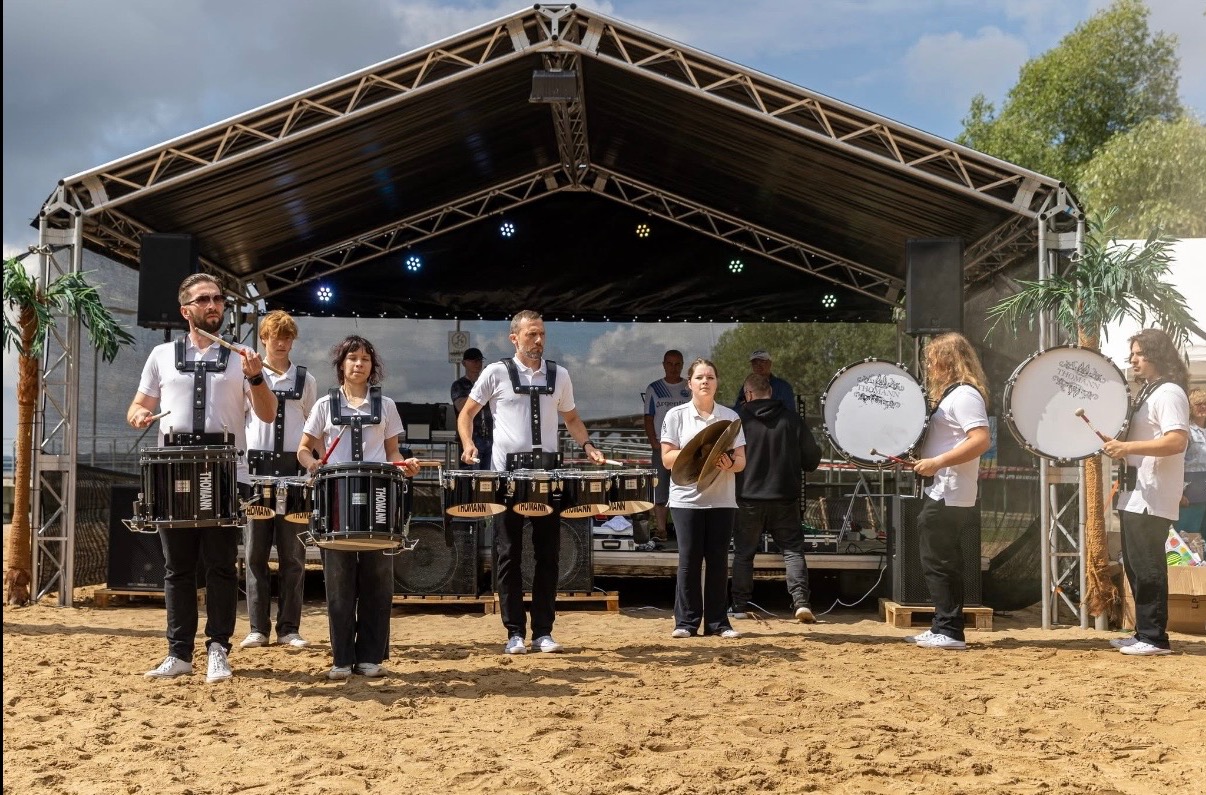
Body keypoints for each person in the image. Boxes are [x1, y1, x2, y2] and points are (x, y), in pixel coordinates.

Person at [128, 273, 277, 683]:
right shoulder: (160, 355)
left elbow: (267, 414)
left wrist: (256, 376)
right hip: (173, 470)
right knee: (177, 567)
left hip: (226, 471)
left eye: (218, 300)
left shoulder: (242, 357)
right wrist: (139, 415)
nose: (213, 306)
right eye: (204, 300)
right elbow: (138, 406)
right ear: (186, 310)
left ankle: (218, 650)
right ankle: (178, 653)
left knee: (221, 565)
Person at [457, 310, 606, 655]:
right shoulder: (496, 372)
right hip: (507, 477)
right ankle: (513, 632)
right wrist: (468, 444)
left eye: (541, 335)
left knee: (548, 554)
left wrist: (588, 445)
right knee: (508, 553)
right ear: (514, 338)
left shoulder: (560, 375)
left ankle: (543, 631)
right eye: (531, 335)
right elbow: (467, 413)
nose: (538, 341)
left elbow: (571, 417)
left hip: (546, 476)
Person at [297, 335, 421, 679]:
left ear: (372, 366)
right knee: (338, 581)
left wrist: (403, 465)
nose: (359, 364)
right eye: (352, 358)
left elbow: (393, 451)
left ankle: (370, 656)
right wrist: (313, 464)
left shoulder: (387, 405)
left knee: (377, 580)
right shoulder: (324, 404)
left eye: (365, 359)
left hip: (379, 496)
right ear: (342, 365)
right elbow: (304, 448)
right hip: (336, 497)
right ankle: (341, 659)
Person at [1103, 328, 1190, 656]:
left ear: (1158, 355)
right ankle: (1143, 632)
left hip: (1151, 495)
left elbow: (1177, 440)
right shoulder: (1151, 392)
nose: (1133, 359)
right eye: (1133, 354)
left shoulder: (1169, 393)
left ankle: (1154, 637)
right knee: (1136, 566)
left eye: (1140, 353)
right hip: (1135, 493)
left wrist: (1127, 446)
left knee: (1149, 565)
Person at [904, 332, 991, 651]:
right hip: (944, 490)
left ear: (947, 361)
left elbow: (981, 439)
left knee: (939, 561)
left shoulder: (965, 395)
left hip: (948, 491)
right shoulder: (954, 395)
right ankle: (946, 625)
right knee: (943, 560)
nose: (929, 366)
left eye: (932, 359)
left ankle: (949, 630)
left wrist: (937, 462)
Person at [240, 310, 318, 651]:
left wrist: (313, 463)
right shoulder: (248, 376)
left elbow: (315, 428)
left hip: (295, 475)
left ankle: (289, 627)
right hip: (256, 473)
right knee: (255, 554)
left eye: (287, 337)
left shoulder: (306, 380)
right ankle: (258, 627)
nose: (282, 342)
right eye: (276, 336)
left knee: (293, 556)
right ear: (264, 339)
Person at [661, 358, 747, 639]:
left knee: (718, 561)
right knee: (689, 560)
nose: (705, 381)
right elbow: (667, 458)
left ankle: (718, 623)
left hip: (722, 499)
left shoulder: (731, 417)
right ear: (690, 384)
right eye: (699, 377)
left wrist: (727, 464)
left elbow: (741, 461)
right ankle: (685, 622)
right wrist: (697, 453)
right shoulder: (675, 416)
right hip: (686, 499)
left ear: (717, 382)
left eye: (710, 376)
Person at [732, 372, 823, 623]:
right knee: (793, 551)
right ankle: (801, 603)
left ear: (748, 395)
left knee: (744, 553)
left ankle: (739, 605)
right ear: (770, 393)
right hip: (784, 497)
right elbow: (811, 461)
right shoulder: (792, 420)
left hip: (747, 498)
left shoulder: (738, 422)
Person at [641, 349, 689, 548]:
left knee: (685, 490)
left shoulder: (689, 387)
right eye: (669, 363)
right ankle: (661, 529)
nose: (673, 368)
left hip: (686, 448)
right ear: (663, 364)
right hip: (662, 447)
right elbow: (648, 417)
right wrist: (653, 441)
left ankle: (683, 530)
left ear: (682, 365)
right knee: (660, 491)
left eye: (677, 364)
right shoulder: (654, 388)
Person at [451, 347, 493, 471]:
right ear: (464, 363)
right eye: (474, 361)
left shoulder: (487, 385)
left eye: (479, 360)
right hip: (471, 439)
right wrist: (479, 390)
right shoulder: (459, 385)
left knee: (489, 477)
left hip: (490, 437)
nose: (478, 364)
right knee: (470, 477)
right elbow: (461, 407)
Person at [1177, 387, 1206, 536]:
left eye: (1205, 403)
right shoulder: (1185, 431)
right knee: (1188, 538)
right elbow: (1176, 463)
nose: (1203, 407)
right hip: (1190, 493)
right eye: (1198, 403)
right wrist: (1178, 494)